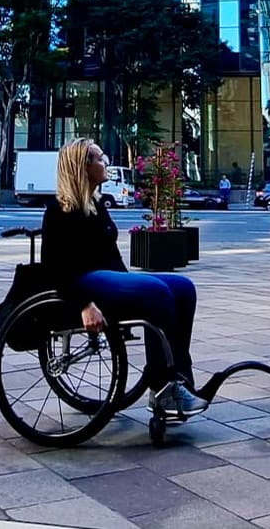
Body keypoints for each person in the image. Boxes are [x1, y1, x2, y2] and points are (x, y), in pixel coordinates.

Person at [40, 138, 204, 418]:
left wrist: (131, 286)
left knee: (183, 288)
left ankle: (179, 377)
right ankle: (162, 387)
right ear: (84, 166)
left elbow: (112, 257)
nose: (106, 163)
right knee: (157, 292)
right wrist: (84, 305)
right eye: (100, 158)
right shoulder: (60, 210)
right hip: (83, 282)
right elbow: (53, 267)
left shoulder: (96, 204)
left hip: (108, 279)